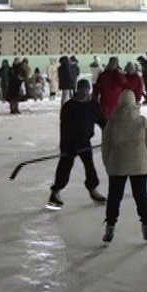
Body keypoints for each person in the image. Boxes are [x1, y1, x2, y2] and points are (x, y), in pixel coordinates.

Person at [100, 94, 147, 243]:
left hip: (117, 165)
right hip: (139, 166)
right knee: (141, 196)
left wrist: (108, 163)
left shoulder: (112, 123)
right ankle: (145, 224)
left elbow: (105, 146)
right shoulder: (141, 122)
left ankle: (110, 226)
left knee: (114, 197)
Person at [48, 79, 106, 209]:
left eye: (86, 89)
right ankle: (55, 192)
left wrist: (108, 135)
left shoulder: (93, 105)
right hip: (69, 143)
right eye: (81, 89)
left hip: (84, 142)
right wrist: (65, 147)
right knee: (64, 168)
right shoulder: (69, 106)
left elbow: (102, 121)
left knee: (90, 167)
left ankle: (92, 189)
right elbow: (64, 128)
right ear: (77, 90)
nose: (84, 92)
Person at [95, 57, 130, 121]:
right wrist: (94, 99)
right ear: (109, 63)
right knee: (106, 121)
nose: (113, 65)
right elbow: (97, 88)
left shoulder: (119, 75)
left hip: (117, 101)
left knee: (116, 121)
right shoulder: (103, 75)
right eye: (112, 63)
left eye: (115, 63)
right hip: (105, 102)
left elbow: (125, 85)